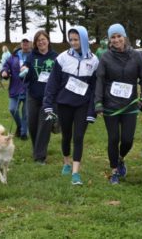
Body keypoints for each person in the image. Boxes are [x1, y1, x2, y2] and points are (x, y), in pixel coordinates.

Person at [95, 23, 142, 185]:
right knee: (113, 138)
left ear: (124, 37)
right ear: (109, 40)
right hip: (110, 105)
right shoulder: (105, 57)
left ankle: (120, 159)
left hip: (130, 105)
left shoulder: (136, 56)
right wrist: (98, 102)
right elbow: (100, 80)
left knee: (127, 140)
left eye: (119, 36)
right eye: (113, 37)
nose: (116, 39)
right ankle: (114, 172)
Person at [43, 26, 99, 185]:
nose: (73, 43)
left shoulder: (94, 61)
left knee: (79, 137)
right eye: (71, 40)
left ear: (84, 40)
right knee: (66, 136)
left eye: (77, 39)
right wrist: (48, 103)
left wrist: (92, 110)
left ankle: (75, 173)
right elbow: (52, 83)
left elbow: (95, 88)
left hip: (82, 105)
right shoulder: (62, 58)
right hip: (64, 104)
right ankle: (66, 162)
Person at [19, 30, 58, 164]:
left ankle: (40, 156)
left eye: (43, 39)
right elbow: (27, 73)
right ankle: (37, 149)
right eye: (38, 40)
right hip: (33, 95)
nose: (41, 42)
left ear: (48, 40)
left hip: (49, 98)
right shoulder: (31, 56)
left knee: (44, 125)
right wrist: (24, 70)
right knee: (32, 125)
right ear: (35, 43)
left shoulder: (55, 57)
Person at [0, 35, 32, 141]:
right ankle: (19, 126)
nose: (25, 43)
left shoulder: (34, 55)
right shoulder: (14, 56)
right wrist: (4, 72)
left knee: (26, 112)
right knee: (12, 109)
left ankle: (23, 133)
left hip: (29, 88)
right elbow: (6, 66)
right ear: (21, 43)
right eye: (23, 41)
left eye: (27, 42)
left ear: (31, 43)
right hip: (15, 87)